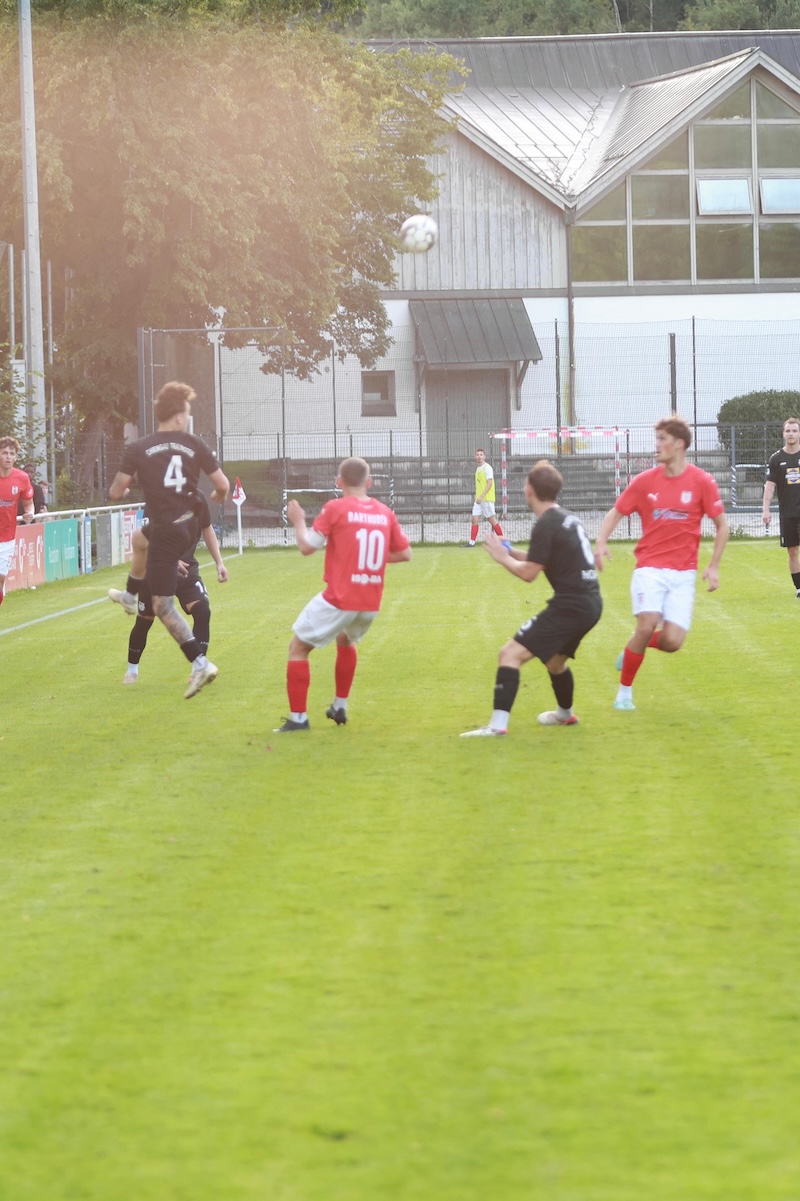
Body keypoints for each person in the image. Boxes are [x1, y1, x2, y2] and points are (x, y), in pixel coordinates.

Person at [594, 416, 728, 712]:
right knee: (647, 623)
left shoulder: (702, 482)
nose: (657, 445)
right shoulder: (645, 481)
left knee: (672, 642)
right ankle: (624, 693)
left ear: (679, 444)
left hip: (684, 573)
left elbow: (722, 526)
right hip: (650, 567)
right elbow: (617, 511)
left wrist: (713, 565)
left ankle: (634, 648)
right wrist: (601, 541)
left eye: (662, 439)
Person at [461, 460, 602, 737]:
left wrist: (502, 559)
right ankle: (565, 715)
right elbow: (545, 559)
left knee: (509, 654)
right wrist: (511, 552)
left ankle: (496, 726)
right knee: (555, 662)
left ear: (530, 490)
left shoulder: (546, 524)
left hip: (571, 606)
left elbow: (529, 573)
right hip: (591, 604)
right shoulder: (566, 518)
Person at [108, 381, 229, 699]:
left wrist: (132, 481)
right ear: (177, 416)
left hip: (165, 530)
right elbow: (222, 485)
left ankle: (200, 664)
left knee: (162, 606)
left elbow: (116, 491)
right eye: (187, 413)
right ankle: (130, 595)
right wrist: (219, 494)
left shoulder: (139, 448)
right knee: (139, 539)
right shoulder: (194, 444)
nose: (188, 418)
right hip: (187, 526)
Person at [276, 456, 411, 732]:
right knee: (345, 640)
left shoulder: (335, 508)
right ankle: (340, 706)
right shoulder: (385, 512)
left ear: (339, 482)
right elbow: (405, 553)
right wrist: (366, 560)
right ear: (369, 482)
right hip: (370, 601)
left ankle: (298, 719)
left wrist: (298, 521)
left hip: (340, 598)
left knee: (298, 648)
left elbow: (307, 547)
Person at [122, 493, 228, 684]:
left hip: (186, 570)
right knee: (144, 620)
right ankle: (132, 671)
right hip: (157, 570)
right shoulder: (157, 496)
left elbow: (207, 528)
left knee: (202, 610)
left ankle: (199, 669)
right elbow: (148, 537)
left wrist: (219, 562)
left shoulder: (198, 498)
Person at [762, 417, 800, 597]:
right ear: (783, 434)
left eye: (794, 431)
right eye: (788, 431)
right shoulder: (776, 459)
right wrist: (765, 508)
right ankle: (799, 588)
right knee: (792, 551)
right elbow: (770, 485)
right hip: (787, 513)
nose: (791, 434)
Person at [0, 436, 34, 608]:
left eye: (11, 453)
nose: (8, 456)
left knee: (0, 580)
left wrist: (30, 513)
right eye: (4, 452)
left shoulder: (22, 478)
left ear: (15, 457)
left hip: (6, 538)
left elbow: (29, 504)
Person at [465, 448, 504, 546]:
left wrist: (482, 496)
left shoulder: (487, 468)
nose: (479, 457)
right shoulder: (478, 469)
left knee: (492, 520)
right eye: (477, 455)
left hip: (486, 499)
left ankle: (503, 541)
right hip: (478, 500)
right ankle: (472, 542)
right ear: (475, 457)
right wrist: (479, 497)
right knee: (474, 519)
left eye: (481, 455)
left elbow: (490, 483)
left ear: (484, 456)